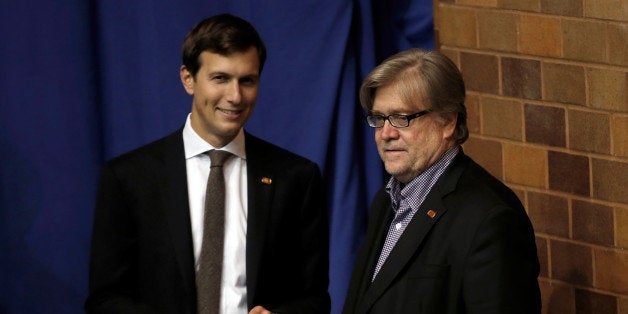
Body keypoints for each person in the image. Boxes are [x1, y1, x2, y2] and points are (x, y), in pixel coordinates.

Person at [86, 14, 330, 314]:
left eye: (247, 81)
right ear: (188, 78)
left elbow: (315, 298)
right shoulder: (129, 177)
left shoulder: (296, 178)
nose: (235, 96)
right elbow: (105, 299)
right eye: (220, 78)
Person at [342, 48, 541, 314]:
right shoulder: (386, 201)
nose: (386, 134)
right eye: (379, 119)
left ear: (447, 121)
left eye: (402, 118)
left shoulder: (490, 219)